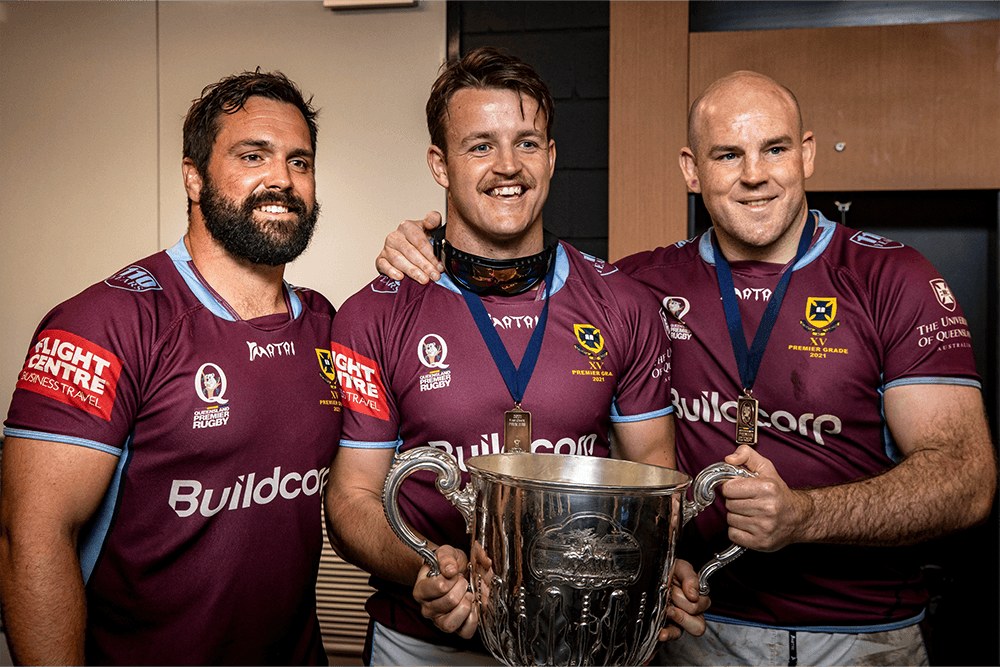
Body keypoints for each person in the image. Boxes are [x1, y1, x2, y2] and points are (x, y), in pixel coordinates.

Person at [376, 69, 997, 667]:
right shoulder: (638, 285)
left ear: (806, 153)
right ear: (691, 170)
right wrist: (425, 244)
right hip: (696, 625)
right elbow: (516, 270)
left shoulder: (894, 280)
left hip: (864, 633)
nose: (754, 176)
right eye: (727, 155)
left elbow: (966, 480)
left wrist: (806, 516)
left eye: (774, 149)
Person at [324, 47, 708, 667]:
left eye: (527, 143)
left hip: (586, 641)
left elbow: (654, 476)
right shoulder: (373, 314)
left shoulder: (624, 304)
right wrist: (428, 567)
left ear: (552, 158)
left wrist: (657, 569)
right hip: (422, 644)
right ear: (439, 165)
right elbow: (351, 499)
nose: (508, 166)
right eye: (479, 146)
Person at [0, 70, 343, 665]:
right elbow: (30, 540)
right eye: (252, 155)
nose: (281, 180)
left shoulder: (326, 324)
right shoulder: (105, 322)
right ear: (192, 175)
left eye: (300, 162)